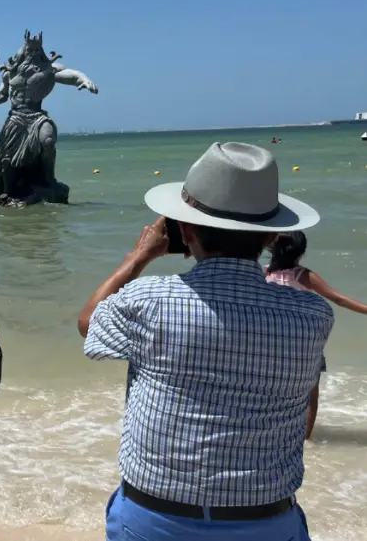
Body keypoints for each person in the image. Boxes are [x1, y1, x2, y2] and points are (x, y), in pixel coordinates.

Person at [78, 142, 332, 540]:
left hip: (156, 517)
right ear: (270, 238)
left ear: (186, 230)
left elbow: (89, 323)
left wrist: (138, 257)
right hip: (267, 521)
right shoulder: (313, 315)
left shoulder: (149, 300)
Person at [266, 230, 367, 440]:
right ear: (300, 253)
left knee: (272, 388)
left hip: (272, 343)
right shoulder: (303, 275)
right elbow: (338, 299)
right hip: (303, 343)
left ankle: (271, 430)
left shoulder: (264, 274)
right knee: (311, 393)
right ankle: (306, 437)